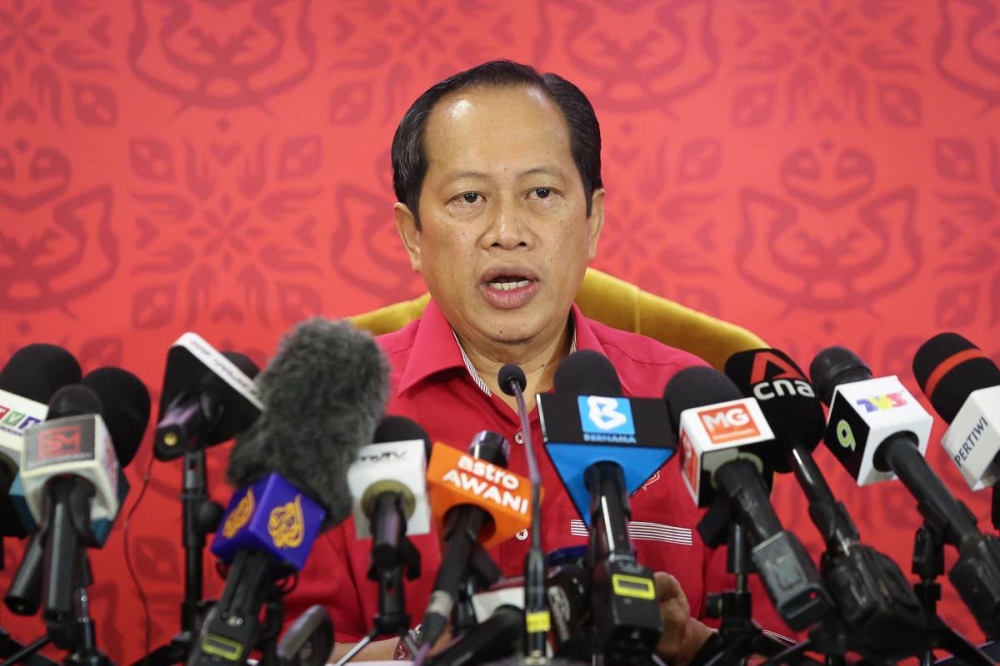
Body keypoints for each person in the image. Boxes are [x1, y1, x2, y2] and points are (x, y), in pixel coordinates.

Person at [284, 60, 783, 665]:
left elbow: (784, 640)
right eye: (469, 197)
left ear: (592, 220)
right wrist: (417, 655)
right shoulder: (329, 414)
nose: (507, 231)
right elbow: (278, 649)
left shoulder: (691, 400)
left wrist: (690, 644)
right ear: (412, 235)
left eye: (541, 194)